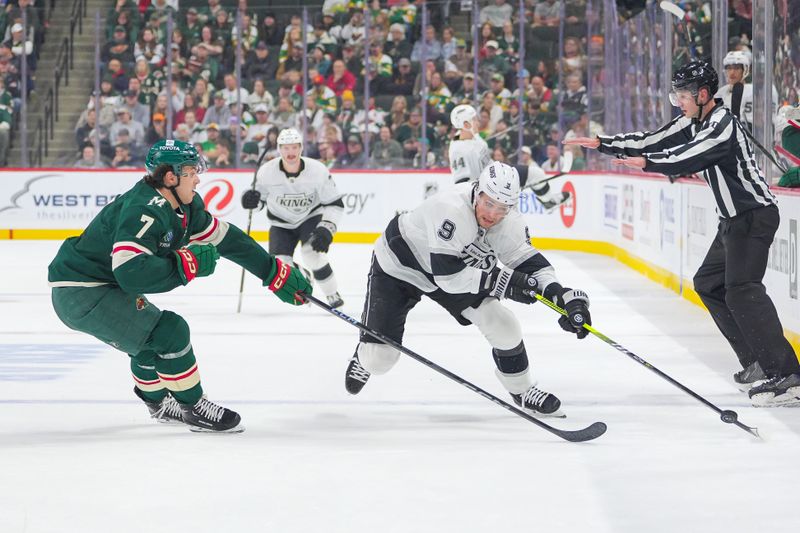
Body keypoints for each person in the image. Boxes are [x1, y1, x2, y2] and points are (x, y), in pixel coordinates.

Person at [565, 60, 800, 406]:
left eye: (683, 96)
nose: (679, 103)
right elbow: (653, 139)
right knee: (708, 283)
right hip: (733, 221)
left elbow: (690, 157)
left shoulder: (720, 124)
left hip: (753, 217)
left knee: (742, 291)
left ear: (703, 94)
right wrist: (604, 143)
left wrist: (650, 163)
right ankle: (758, 362)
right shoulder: (695, 121)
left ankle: (788, 375)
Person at [48, 140, 312, 433]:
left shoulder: (185, 206)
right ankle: (195, 407)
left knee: (150, 346)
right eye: (191, 171)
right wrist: (187, 264)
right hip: (82, 291)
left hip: (92, 285)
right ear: (170, 177)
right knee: (169, 332)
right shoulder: (144, 209)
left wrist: (273, 271)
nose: (198, 177)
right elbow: (129, 273)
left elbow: (228, 240)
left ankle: (159, 403)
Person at [343, 161, 592, 416]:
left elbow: (533, 266)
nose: (493, 214)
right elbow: (448, 279)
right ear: (478, 191)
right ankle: (364, 354)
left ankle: (523, 390)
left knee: (502, 323)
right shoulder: (451, 209)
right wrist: (503, 283)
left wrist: (561, 296)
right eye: (489, 203)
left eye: (502, 208)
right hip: (400, 266)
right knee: (380, 360)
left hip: (453, 270)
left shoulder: (509, 223)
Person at [240, 128, 346, 308]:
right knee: (281, 264)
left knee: (312, 255)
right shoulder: (267, 172)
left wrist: (326, 229)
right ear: (279, 149)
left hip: (309, 218)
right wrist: (249, 200)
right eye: (286, 148)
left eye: (295, 147)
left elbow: (334, 204)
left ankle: (332, 294)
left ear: (301, 148)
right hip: (279, 222)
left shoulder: (317, 170)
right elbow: (258, 201)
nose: (291, 152)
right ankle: (304, 277)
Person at [448, 104, 570, 210]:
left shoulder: (471, 135)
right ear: (465, 124)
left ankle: (548, 201)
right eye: (474, 119)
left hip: (497, 172)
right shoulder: (458, 150)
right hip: (488, 188)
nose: (477, 121)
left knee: (535, 174)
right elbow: (461, 184)